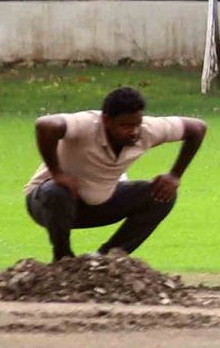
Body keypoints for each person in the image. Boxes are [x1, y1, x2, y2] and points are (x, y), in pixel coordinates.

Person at [26, 87, 207, 263]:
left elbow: (197, 128)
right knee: (57, 192)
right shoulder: (87, 124)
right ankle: (63, 258)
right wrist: (57, 173)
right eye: (125, 126)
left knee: (163, 194)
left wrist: (175, 175)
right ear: (106, 120)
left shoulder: (147, 130)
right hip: (49, 204)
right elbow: (45, 125)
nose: (134, 132)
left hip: (100, 203)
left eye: (137, 124)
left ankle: (107, 258)